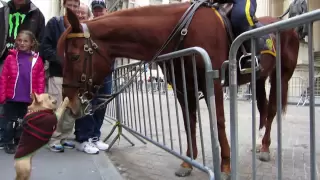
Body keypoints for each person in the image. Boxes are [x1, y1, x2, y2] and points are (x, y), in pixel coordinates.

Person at [0, 0, 45, 149]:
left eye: (25, 41)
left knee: (24, 119)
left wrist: (38, 96)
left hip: (27, 96)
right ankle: (7, 141)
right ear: (16, 42)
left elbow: (40, 79)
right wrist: (2, 94)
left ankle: (20, 141)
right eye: (19, 40)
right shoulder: (10, 57)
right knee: (8, 119)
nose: (22, 43)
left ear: (32, 43)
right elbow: (3, 77)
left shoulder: (36, 60)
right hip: (11, 96)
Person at [40, 0, 80, 152]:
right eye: (70, 5)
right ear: (64, 5)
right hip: (58, 72)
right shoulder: (54, 23)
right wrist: (61, 60)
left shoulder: (81, 26)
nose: (73, 8)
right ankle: (53, 139)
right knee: (57, 106)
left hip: (75, 76)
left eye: (76, 6)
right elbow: (45, 47)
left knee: (71, 108)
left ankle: (64, 137)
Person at [74, 0, 110, 155]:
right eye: (95, 10)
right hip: (88, 74)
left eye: (100, 10)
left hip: (106, 73)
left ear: (105, 11)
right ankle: (84, 138)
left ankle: (95, 136)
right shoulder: (85, 28)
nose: (98, 13)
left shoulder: (110, 27)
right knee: (87, 105)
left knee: (101, 105)